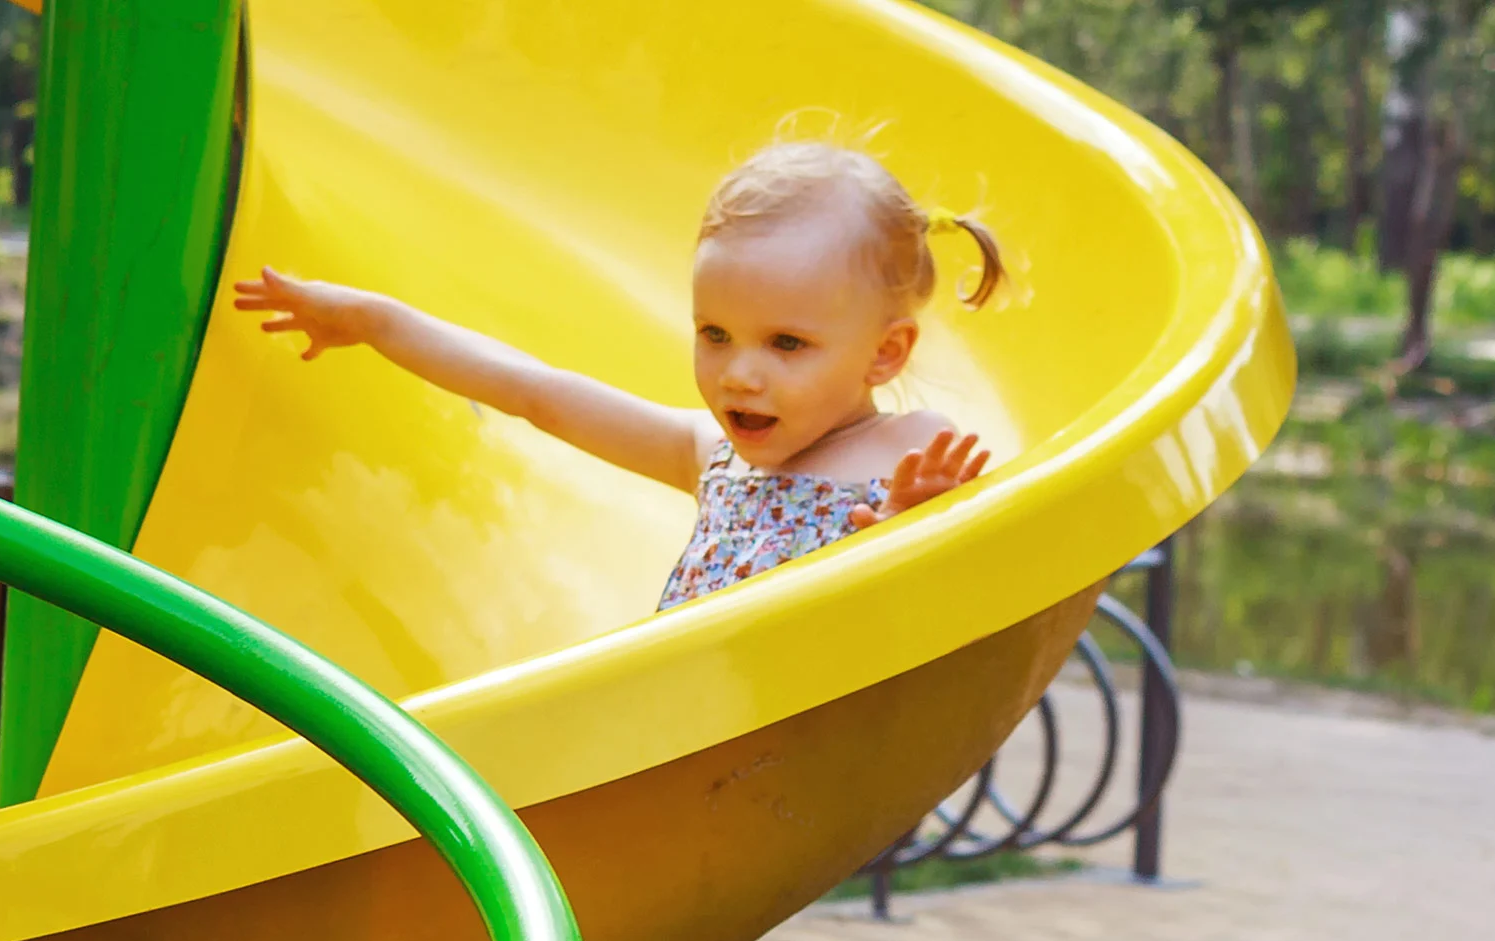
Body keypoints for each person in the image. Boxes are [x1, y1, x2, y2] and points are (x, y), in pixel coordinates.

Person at [233, 138, 1005, 611]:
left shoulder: (910, 456)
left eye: (787, 344)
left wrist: (924, 527)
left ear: (885, 353)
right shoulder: (713, 457)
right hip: (685, 747)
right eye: (714, 334)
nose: (739, 374)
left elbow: (976, 609)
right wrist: (375, 324)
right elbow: (534, 392)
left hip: (805, 755)